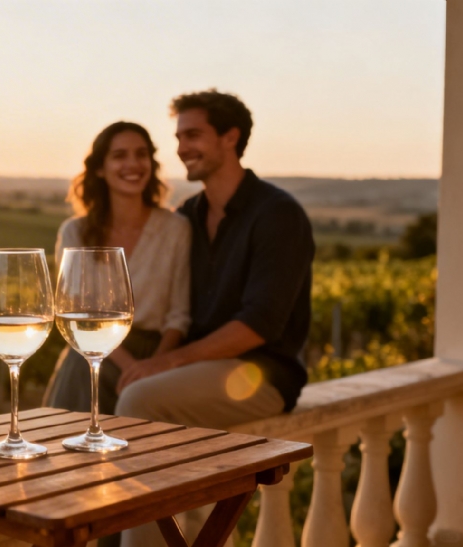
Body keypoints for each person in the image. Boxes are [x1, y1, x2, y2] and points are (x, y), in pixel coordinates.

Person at [112, 90, 314, 546]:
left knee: (139, 399)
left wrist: (168, 361)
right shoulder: (189, 215)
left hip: (259, 375)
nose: (182, 147)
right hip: (200, 371)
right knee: (102, 388)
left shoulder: (278, 215)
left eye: (193, 135)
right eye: (178, 137)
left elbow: (261, 323)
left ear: (230, 137)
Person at [43, 121, 192, 417]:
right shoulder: (75, 232)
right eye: (120, 155)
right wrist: (129, 367)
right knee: (80, 366)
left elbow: (179, 315)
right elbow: (74, 311)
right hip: (93, 350)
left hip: (155, 352)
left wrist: (154, 366)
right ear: (100, 168)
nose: (133, 164)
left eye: (141, 154)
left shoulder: (176, 228)